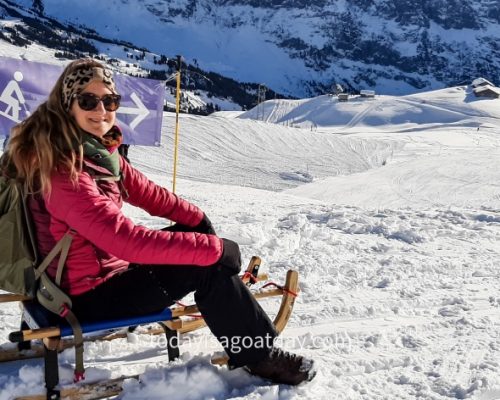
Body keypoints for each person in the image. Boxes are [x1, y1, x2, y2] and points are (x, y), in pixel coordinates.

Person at [1, 58, 315, 385]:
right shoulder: (65, 172)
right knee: (205, 264)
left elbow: (147, 192)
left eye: (109, 101)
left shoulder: (94, 152)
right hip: (85, 300)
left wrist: (197, 220)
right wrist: (214, 249)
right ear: (68, 105)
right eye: (88, 101)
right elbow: (126, 240)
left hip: (97, 279)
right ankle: (258, 356)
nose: (101, 110)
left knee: (198, 245)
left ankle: (231, 312)